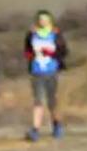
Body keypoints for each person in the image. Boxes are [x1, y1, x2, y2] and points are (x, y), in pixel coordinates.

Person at [23, 9, 68, 141]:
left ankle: (57, 125)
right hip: (37, 71)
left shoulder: (56, 34)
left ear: (50, 20)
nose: (43, 21)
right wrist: (32, 57)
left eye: (45, 19)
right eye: (40, 19)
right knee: (38, 101)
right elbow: (27, 51)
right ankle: (35, 130)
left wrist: (51, 53)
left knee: (52, 101)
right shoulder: (32, 34)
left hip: (52, 71)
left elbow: (64, 51)